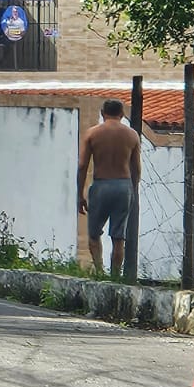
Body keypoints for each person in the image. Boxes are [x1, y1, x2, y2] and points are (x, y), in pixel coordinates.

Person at [76, 99, 141, 277]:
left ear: (103, 113)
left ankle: (99, 272)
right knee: (118, 237)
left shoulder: (92, 134)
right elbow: (137, 168)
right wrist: (132, 191)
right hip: (123, 186)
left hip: (101, 185)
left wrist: (80, 194)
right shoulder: (132, 135)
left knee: (94, 233)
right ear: (122, 114)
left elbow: (82, 165)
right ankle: (115, 276)